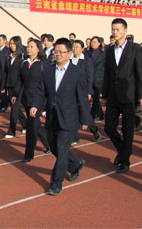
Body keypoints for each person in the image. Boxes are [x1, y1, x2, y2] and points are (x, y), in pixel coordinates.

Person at [31, 38, 92, 196]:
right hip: (52, 116)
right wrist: (35, 105)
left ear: (69, 53)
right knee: (54, 147)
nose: (57, 54)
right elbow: (41, 91)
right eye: (55, 52)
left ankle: (56, 183)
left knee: (62, 148)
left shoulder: (77, 73)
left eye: (61, 52)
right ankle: (75, 164)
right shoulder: (48, 70)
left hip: (68, 117)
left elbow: (82, 98)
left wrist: (86, 119)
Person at [103, 18, 142, 173]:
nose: (115, 32)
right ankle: (123, 151)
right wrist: (105, 92)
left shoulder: (135, 48)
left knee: (128, 130)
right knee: (109, 127)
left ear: (125, 31)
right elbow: (107, 73)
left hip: (129, 95)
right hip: (113, 95)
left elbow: (140, 72)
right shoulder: (109, 50)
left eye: (118, 29)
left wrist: (141, 94)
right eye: (113, 29)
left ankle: (125, 161)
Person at [13, 38, 50, 161]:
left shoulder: (43, 64)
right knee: (35, 124)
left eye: (31, 47)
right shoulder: (24, 63)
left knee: (31, 127)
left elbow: (47, 83)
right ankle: (49, 144)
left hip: (38, 100)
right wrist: (15, 94)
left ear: (38, 49)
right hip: (27, 99)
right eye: (28, 46)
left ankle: (28, 154)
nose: (28, 49)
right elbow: (19, 80)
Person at [70, 39, 101, 142]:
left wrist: (89, 92)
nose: (74, 49)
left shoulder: (87, 60)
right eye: (73, 47)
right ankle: (74, 137)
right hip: (71, 91)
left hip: (83, 90)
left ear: (82, 49)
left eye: (77, 47)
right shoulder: (69, 59)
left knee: (85, 113)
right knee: (72, 113)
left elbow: (90, 76)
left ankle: (95, 131)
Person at [4, 36, 27, 138]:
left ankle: (11, 130)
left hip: (19, 86)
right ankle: (26, 125)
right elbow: (5, 72)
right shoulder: (9, 56)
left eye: (13, 43)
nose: (11, 45)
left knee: (14, 108)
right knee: (15, 108)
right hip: (10, 85)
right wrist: (3, 86)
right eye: (10, 44)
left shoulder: (22, 57)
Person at [88, 36, 105, 121]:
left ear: (99, 43)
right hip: (89, 79)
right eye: (92, 42)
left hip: (98, 79)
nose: (92, 43)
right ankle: (100, 114)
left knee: (96, 99)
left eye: (95, 42)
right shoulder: (87, 53)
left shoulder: (102, 54)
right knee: (92, 99)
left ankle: (93, 115)